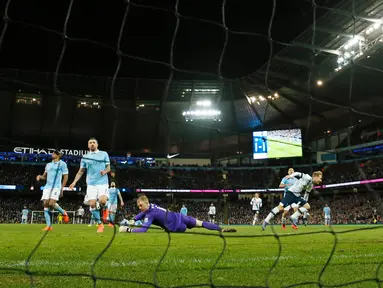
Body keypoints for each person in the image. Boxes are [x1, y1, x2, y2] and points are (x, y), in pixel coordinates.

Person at [119, 195, 236, 233]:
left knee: (200, 223)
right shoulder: (152, 206)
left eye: (141, 206)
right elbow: (142, 214)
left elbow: (143, 230)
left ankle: (221, 229)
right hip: (179, 216)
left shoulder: (150, 215)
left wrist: (127, 229)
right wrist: (134, 219)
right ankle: (220, 229)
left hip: (177, 227)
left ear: (146, 203)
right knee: (200, 223)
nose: (140, 208)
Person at [69, 137, 110, 233]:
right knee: (92, 204)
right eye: (90, 143)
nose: (92, 144)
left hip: (102, 182)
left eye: (94, 142)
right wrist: (74, 182)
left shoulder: (103, 154)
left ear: (97, 144)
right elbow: (80, 171)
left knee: (103, 201)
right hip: (91, 184)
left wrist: (104, 172)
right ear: (88, 145)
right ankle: (100, 225)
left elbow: (108, 167)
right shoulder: (85, 157)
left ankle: (105, 207)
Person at [36, 150, 70, 231]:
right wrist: (40, 177)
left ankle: (63, 212)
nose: (52, 154)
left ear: (58, 155)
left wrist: (62, 188)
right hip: (47, 187)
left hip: (56, 187)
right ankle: (49, 226)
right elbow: (45, 176)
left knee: (51, 203)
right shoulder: (48, 165)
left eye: (54, 153)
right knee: (45, 204)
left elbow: (66, 177)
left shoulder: (62, 164)